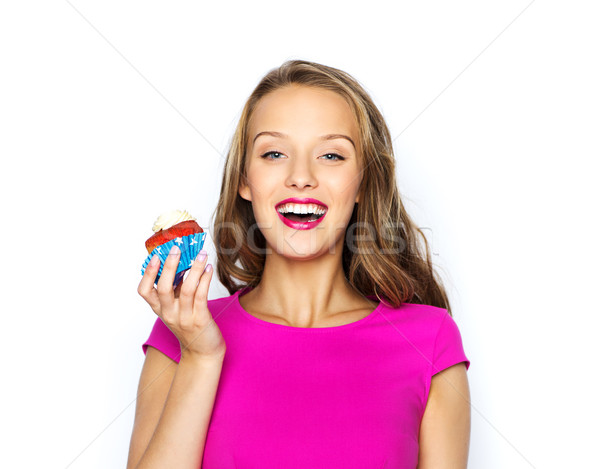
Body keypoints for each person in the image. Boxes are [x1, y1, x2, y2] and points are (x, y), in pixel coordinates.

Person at [127, 60, 471, 469]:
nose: (301, 177)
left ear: (363, 183)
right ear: (245, 180)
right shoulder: (183, 331)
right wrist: (201, 357)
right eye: (274, 153)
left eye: (330, 154)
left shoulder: (430, 341)